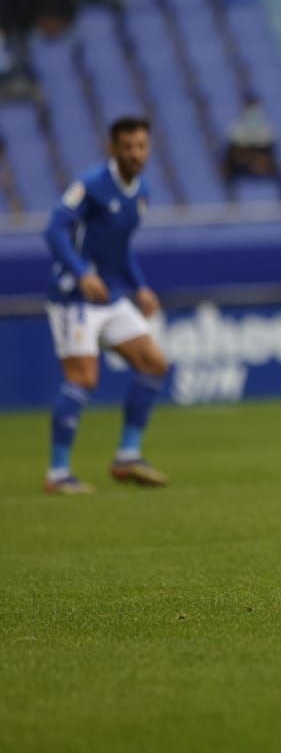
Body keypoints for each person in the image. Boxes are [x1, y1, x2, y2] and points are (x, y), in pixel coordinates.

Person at [40, 117, 173, 494]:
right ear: (113, 148)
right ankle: (58, 473)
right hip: (74, 298)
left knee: (154, 363)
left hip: (111, 295)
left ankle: (128, 456)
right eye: (128, 146)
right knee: (83, 378)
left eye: (141, 146)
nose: (135, 153)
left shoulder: (142, 192)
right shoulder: (93, 184)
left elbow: (120, 248)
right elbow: (53, 229)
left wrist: (140, 286)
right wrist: (81, 272)